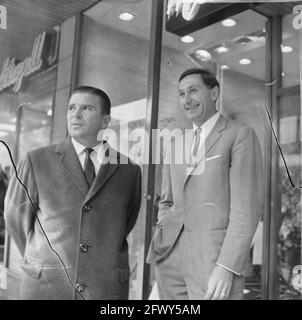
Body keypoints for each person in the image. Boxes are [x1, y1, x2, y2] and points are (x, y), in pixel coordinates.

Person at [4, 86, 142, 300]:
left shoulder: (129, 170)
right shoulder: (36, 161)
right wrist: (42, 259)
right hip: (45, 288)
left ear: (105, 121)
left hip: (104, 289)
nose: (75, 114)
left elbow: (127, 222)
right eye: (71, 108)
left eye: (86, 108)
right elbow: (15, 219)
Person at [147, 68, 263, 300]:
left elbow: (245, 211)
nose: (186, 100)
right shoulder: (176, 144)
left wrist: (227, 266)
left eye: (193, 91)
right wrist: (163, 241)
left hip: (213, 262)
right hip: (169, 260)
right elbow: (167, 200)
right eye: (181, 94)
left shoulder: (239, 135)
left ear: (214, 93)